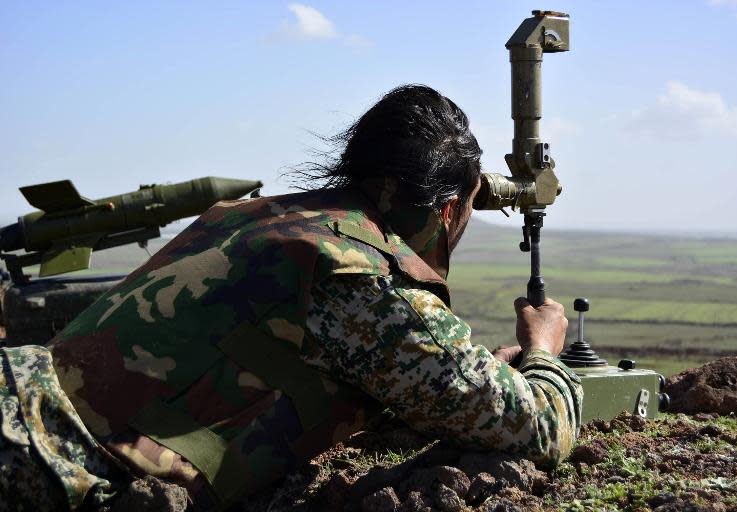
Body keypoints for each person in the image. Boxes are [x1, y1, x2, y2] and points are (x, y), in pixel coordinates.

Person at [0, 84, 582, 511]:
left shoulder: (261, 218)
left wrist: (460, 372)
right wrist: (543, 352)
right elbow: (537, 430)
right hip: (41, 467)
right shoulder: (358, 275)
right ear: (449, 209)